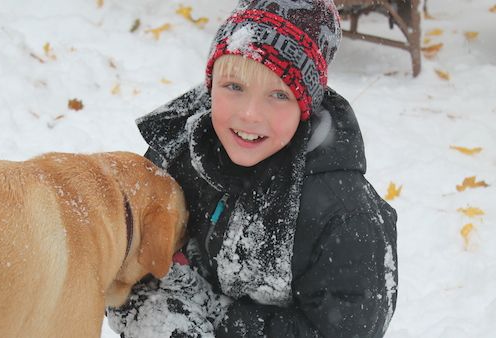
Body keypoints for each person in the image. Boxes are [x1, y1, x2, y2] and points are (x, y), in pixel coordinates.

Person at [107, 0, 398, 337]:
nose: (249, 114)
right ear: (211, 85)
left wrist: (222, 323)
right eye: (234, 87)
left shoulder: (344, 215)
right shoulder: (177, 154)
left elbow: (346, 329)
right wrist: (161, 318)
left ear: (305, 106)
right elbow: (126, 263)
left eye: (278, 95)